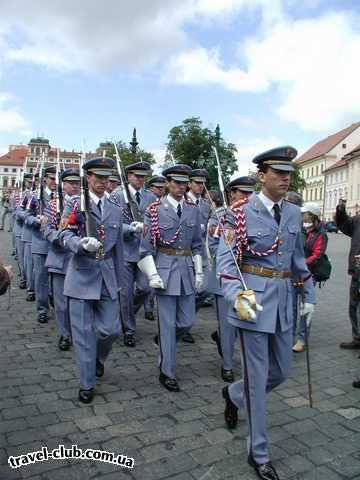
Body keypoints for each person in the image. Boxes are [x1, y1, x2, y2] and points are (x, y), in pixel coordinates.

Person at [217, 146, 315, 480]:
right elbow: (227, 264)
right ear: (262, 175)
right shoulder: (237, 213)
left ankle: (233, 394)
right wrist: (237, 296)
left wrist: (309, 296)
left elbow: (297, 261)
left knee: (282, 372)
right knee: (257, 381)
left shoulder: (292, 213)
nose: (286, 179)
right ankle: (258, 453)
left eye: (289, 173)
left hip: (284, 301)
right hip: (252, 304)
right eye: (279, 173)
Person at [59, 157, 125, 404]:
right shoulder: (76, 204)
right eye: (97, 178)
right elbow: (62, 233)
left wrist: (120, 280)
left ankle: (97, 357)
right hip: (81, 274)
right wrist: (79, 243)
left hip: (107, 273)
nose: (102, 183)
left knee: (110, 330)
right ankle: (86, 383)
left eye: (106, 179)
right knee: (83, 333)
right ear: (88, 178)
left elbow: (117, 247)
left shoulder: (116, 207)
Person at [139, 164, 203, 392]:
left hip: (186, 269)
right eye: (176, 182)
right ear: (167, 182)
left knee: (186, 322)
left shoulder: (193, 209)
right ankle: (167, 371)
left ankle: (165, 343)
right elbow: (145, 248)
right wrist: (152, 274)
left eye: (184, 182)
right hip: (164, 270)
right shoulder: (154, 210)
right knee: (166, 325)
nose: (180, 186)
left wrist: (199, 270)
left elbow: (196, 244)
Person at [208, 176, 256, 382]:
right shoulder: (220, 217)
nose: (247, 196)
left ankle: (250, 364)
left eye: (249, 192)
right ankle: (227, 364)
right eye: (242, 192)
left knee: (246, 323)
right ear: (232, 194)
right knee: (228, 326)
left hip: (250, 281)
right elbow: (213, 247)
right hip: (227, 280)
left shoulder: (257, 215)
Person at [110, 162, 156, 347]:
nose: (140, 179)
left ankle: (126, 314)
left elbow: (155, 221)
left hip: (144, 252)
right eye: (137, 176)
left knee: (145, 289)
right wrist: (129, 228)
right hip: (125, 251)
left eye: (143, 176)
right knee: (126, 294)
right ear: (128, 176)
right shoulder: (117, 196)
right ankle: (129, 329)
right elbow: (112, 224)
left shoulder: (151, 196)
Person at [42, 168, 80, 351]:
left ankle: (78, 332)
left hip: (80, 259)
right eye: (71, 182)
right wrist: (61, 237)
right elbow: (46, 230)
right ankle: (65, 334)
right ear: (62, 184)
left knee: (78, 301)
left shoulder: (84, 204)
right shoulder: (53, 205)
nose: (75, 185)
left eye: (77, 182)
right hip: (60, 257)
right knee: (61, 302)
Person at [293, 202, 328, 352]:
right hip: (293, 274)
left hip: (309, 275)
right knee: (291, 306)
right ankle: (287, 337)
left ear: (312, 215)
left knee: (305, 308)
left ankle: (301, 339)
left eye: (305, 213)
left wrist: (300, 264)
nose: (302, 215)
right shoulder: (299, 228)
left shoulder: (321, 233)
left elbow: (318, 255)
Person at [25, 167, 57, 323]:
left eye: (56, 179)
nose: (54, 182)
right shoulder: (34, 195)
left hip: (57, 244)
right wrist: (36, 220)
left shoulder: (61, 196)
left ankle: (56, 301)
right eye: (51, 178)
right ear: (45, 179)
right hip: (40, 242)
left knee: (56, 279)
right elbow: (23, 214)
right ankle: (42, 308)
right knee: (41, 278)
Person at [185, 169, 211, 343]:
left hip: (200, 252)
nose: (200, 186)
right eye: (196, 182)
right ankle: (183, 325)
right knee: (187, 291)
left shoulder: (206, 205)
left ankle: (186, 320)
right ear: (189, 183)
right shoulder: (182, 201)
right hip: (183, 253)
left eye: (202, 183)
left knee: (203, 291)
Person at [335, 199, 360, 351]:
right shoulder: (358, 220)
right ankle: (357, 338)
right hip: (358, 271)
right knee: (354, 305)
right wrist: (341, 210)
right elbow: (344, 225)